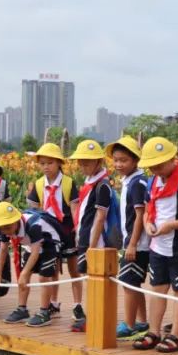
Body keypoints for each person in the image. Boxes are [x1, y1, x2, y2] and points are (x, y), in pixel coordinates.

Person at [131, 137, 178, 354]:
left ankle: (175, 334)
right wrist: (147, 224)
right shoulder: (153, 182)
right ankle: (154, 331)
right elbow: (147, 208)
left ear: (173, 160)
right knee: (158, 289)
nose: (155, 169)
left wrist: (172, 225)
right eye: (152, 166)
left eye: (160, 164)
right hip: (158, 246)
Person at [25, 143, 79, 321]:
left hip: (67, 229)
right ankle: (52, 303)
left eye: (50, 163)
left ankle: (77, 304)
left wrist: (77, 230)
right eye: (42, 164)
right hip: (49, 231)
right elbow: (32, 209)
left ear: (59, 163)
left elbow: (74, 209)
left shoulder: (69, 183)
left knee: (73, 269)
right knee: (52, 268)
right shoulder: (39, 184)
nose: (46, 167)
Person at [0, 202, 63, 327]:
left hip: (50, 244)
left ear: (16, 221)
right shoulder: (4, 228)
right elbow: (3, 250)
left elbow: (36, 252)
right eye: (2, 228)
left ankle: (45, 311)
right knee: (24, 277)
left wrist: (23, 273)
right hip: (31, 245)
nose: (5, 232)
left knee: (43, 277)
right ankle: (22, 309)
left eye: (7, 228)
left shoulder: (34, 225)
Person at [67, 139, 114, 332]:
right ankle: (93, 316)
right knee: (90, 279)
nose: (82, 165)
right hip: (85, 238)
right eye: (80, 161)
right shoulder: (89, 182)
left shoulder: (102, 185)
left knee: (98, 280)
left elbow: (100, 217)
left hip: (96, 242)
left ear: (98, 163)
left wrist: (91, 247)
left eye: (87, 161)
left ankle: (98, 319)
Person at [106, 136, 150, 337]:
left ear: (135, 161)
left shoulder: (138, 183)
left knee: (128, 283)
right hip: (133, 240)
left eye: (123, 160)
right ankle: (141, 321)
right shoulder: (130, 181)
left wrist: (132, 244)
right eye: (115, 160)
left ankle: (130, 324)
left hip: (137, 243)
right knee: (134, 282)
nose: (118, 164)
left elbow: (141, 214)